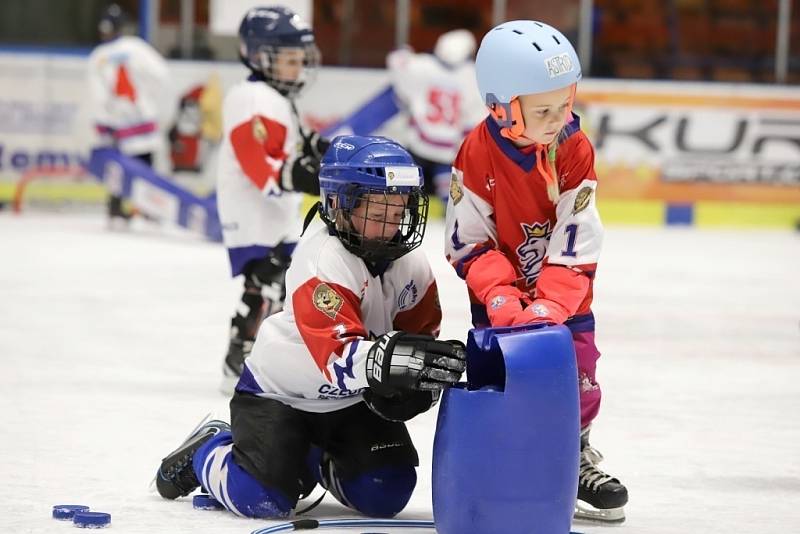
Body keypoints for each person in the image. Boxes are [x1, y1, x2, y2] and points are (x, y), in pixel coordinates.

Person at [154, 135, 466, 519]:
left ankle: (311, 460)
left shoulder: (411, 266)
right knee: (261, 498)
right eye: (376, 211)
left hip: (352, 399)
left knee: (386, 492)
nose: (390, 224)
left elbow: (417, 341)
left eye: (399, 210)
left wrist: (415, 385)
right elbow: (338, 359)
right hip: (281, 395)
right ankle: (208, 449)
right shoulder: (321, 259)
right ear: (338, 204)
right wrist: (392, 364)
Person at [444, 20, 629, 523]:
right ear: (500, 106)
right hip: (499, 299)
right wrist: (502, 297)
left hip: (565, 297)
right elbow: (467, 240)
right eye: (543, 110)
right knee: (503, 380)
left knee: (579, 374)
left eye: (565, 103)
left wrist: (552, 302)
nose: (558, 118)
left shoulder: (573, 145)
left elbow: (579, 232)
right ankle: (505, 463)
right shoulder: (477, 153)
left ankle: (575, 457)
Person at [217, 6, 331, 393]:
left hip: (276, 212)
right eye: (289, 60)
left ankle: (271, 360)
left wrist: (328, 152)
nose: (298, 68)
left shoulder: (276, 97)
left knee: (287, 285)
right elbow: (258, 162)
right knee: (263, 281)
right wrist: (305, 174)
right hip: (251, 213)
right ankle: (238, 359)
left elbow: (299, 142)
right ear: (260, 56)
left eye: (301, 60)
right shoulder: (250, 97)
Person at [87, 3, 170, 225]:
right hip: (142, 118)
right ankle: (148, 207)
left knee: (119, 168)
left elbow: (98, 97)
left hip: (118, 123)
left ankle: (116, 207)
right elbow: (161, 73)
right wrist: (148, 98)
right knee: (145, 164)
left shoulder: (98, 56)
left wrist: (104, 124)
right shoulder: (135, 47)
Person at [386, 29, 485, 205]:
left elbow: (396, 61)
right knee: (453, 200)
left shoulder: (422, 65)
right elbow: (476, 117)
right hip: (448, 150)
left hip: (419, 142)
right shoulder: (473, 75)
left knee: (403, 189)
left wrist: (403, 50)